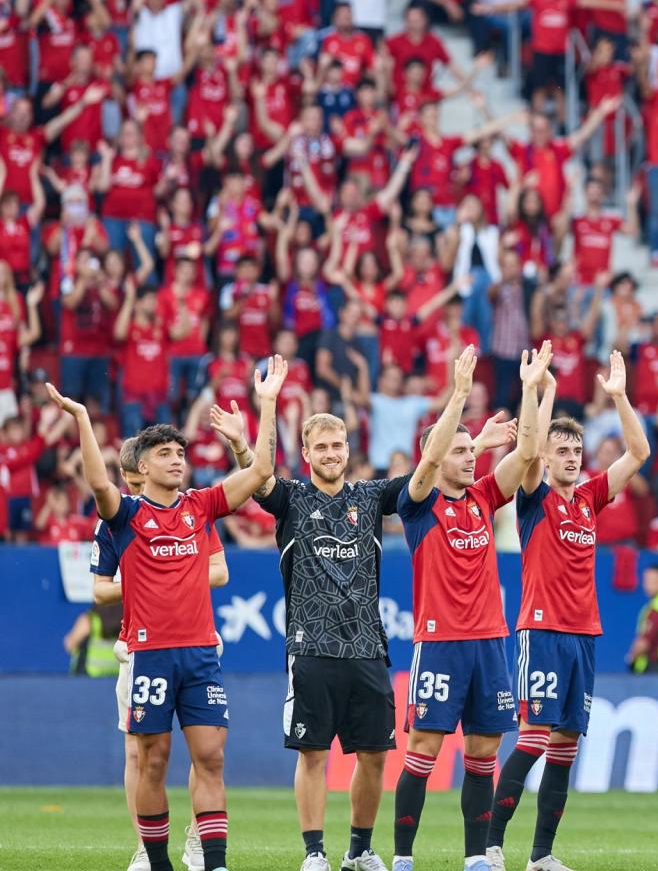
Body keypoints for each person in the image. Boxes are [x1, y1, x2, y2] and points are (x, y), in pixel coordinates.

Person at [47, 356, 286, 871]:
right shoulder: (127, 516)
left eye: (180, 452)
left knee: (212, 757)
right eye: (164, 454)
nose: (177, 460)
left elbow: (262, 472)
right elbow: (99, 485)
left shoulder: (201, 506)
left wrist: (267, 405)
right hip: (149, 654)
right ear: (142, 468)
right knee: (151, 761)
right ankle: (155, 860)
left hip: (200, 653)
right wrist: (83, 419)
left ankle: (214, 862)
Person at [488, 352, 652, 870]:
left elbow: (639, 452)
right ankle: (490, 846)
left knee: (565, 747)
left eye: (577, 450)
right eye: (563, 450)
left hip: (584, 634)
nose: (573, 458)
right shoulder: (534, 497)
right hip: (542, 630)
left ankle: (541, 855)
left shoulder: (590, 498)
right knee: (533, 739)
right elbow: (529, 449)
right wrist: (543, 391)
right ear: (546, 455)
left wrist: (620, 397)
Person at [390, 345, 544, 871]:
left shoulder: (482, 497)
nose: (470, 456)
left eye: (470, 449)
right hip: (440, 645)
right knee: (423, 752)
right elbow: (431, 461)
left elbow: (527, 454)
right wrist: (458, 394)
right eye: (460, 451)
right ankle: (403, 858)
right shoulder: (418, 504)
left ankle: (476, 857)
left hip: (489, 645)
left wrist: (530, 388)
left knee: (483, 754)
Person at [249, 399, 421, 871]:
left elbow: (426, 473)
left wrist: (461, 399)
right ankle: (314, 853)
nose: (331, 453)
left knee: (375, 756)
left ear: (349, 449)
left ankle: (359, 850)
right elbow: (257, 473)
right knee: (313, 754)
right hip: (311, 647)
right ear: (306, 453)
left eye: (337, 445)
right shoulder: (290, 498)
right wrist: (268, 405)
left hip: (366, 647)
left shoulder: (371, 496)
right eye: (321, 446)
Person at [94, 437, 232, 871]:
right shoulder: (118, 519)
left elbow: (220, 571)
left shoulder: (193, 510)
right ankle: (145, 845)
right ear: (131, 474)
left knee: (205, 750)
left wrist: (172, 573)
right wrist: (145, 575)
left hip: (193, 639)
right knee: (140, 754)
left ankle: (197, 838)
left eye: (177, 456)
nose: (135, 486)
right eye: (132, 480)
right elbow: (100, 589)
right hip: (137, 647)